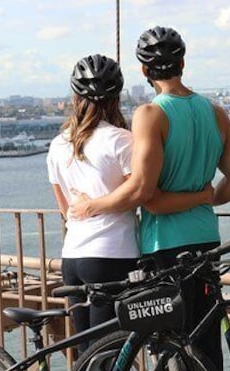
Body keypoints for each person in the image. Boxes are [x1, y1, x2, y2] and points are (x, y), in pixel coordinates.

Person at [70, 26, 230, 371]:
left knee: (172, 341)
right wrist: (205, 198)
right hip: (206, 240)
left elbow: (144, 194)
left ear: (143, 70)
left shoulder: (151, 114)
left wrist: (91, 206)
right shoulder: (216, 113)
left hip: (165, 246)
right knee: (206, 336)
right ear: (183, 62)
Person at [46, 54, 139, 349]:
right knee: (105, 353)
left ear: (75, 96)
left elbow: (65, 210)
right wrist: (102, 203)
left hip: (72, 257)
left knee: (87, 355)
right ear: (116, 97)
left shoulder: (59, 143)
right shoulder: (122, 139)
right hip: (111, 255)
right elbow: (135, 194)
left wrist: (88, 207)